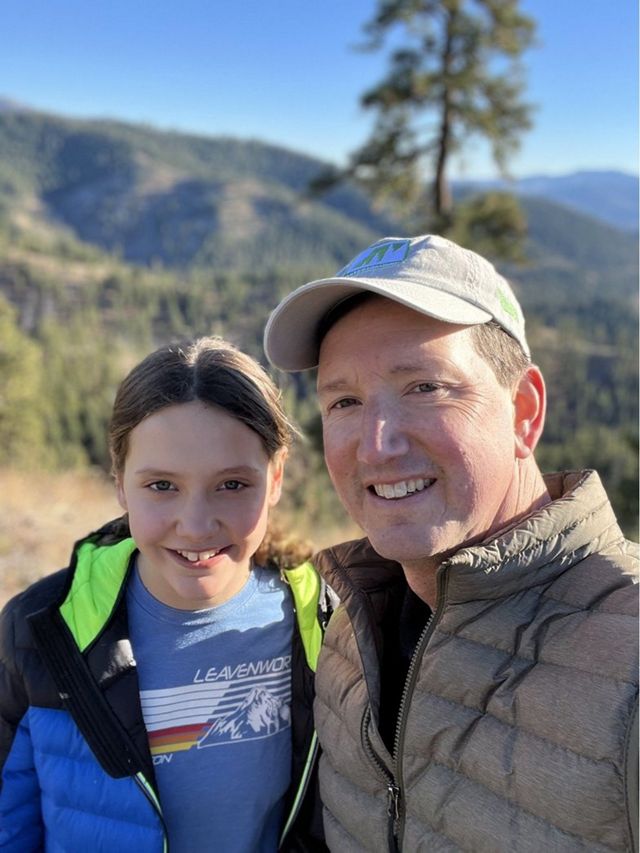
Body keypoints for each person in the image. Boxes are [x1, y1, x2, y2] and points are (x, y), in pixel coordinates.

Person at [263, 234, 639, 852]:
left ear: (524, 411)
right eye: (345, 401)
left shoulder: (629, 659)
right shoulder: (346, 632)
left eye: (425, 388)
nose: (377, 443)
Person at [0, 336, 330, 852]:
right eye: (161, 486)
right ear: (120, 483)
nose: (196, 526)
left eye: (233, 485)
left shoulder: (327, 624)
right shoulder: (42, 631)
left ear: (277, 477)